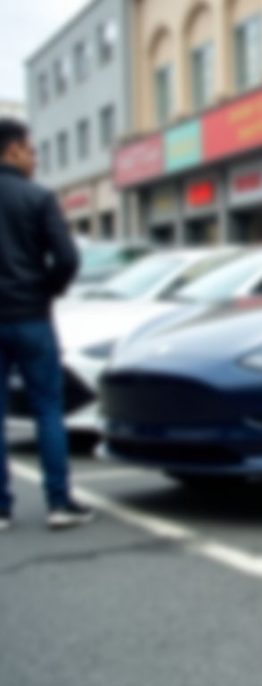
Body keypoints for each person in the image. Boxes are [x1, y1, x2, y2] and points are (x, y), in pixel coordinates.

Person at [0, 118, 93, 531]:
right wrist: (47, 290)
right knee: (48, 410)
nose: (34, 158)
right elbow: (68, 259)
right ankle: (59, 503)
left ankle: (1, 509)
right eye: (31, 150)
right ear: (14, 150)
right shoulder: (37, 197)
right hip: (31, 318)